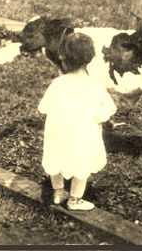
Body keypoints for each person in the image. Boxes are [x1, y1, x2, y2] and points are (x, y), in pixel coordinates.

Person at [38, 33, 117, 211]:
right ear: (89, 59)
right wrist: (97, 118)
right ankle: (75, 199)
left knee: (56, 158)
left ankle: (58, 192)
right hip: (83, 134)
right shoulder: (94, 85)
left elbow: (44, 107)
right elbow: (108, 109)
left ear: (63, 59)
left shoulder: (58, 83)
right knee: (82, 162)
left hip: (58, 133)